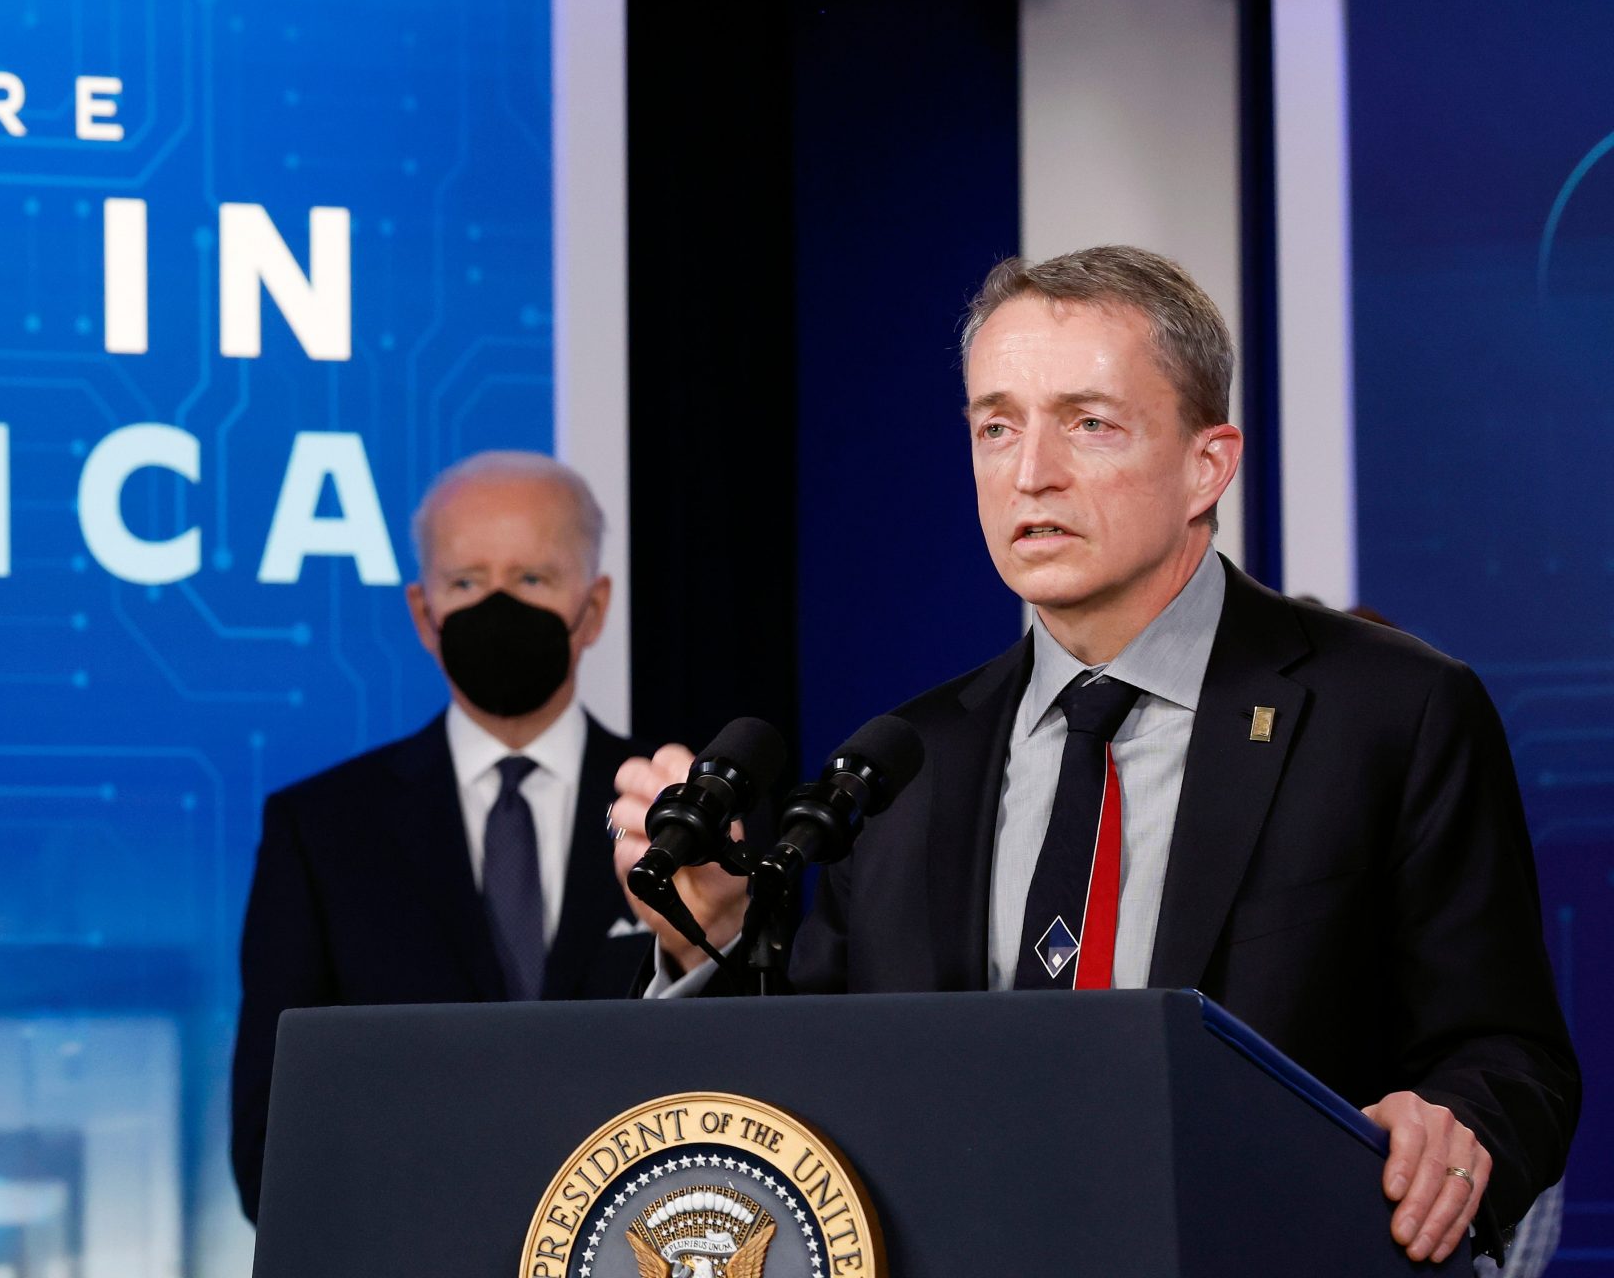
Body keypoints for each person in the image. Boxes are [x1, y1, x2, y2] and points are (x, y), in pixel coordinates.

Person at [609, 247, 1578, 1266]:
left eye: (1088, 423)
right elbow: (805, 1103)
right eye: (995, 425)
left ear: (1209, 462)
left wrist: (1454, 1127)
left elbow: (1511, 1055)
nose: (1030, 471)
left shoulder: (1391, 712)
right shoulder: (904, 762)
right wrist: (709, 937)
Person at [232, 450, 644, 1222]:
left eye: (531, 580)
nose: (498, 607)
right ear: (424, 614)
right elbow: (271, 1147)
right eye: (467, 583)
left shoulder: (676, 811)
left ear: (593, 608)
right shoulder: (319, 833)